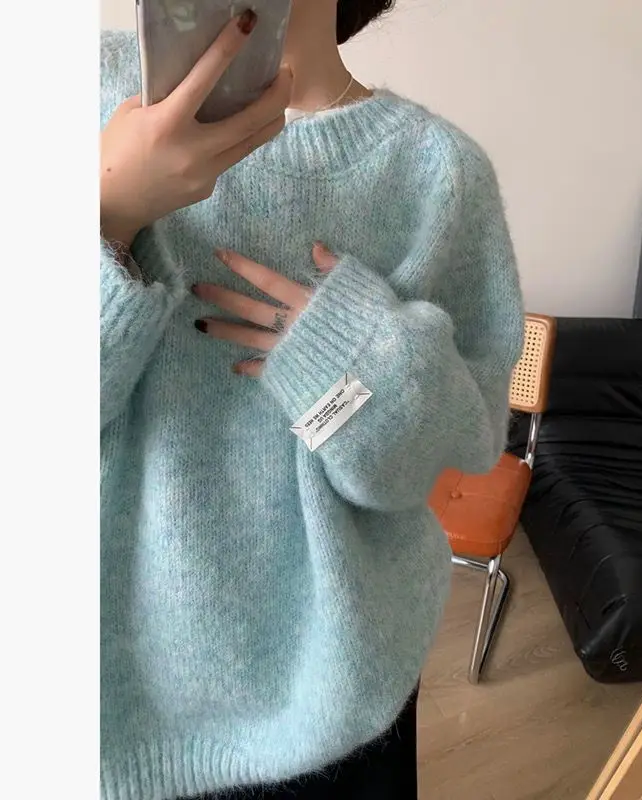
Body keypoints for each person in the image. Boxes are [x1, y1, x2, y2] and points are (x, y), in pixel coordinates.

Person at [100, 1, 524, 798]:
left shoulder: (435, 171)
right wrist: (109, 209)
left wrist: (351, 359)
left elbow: (451, 453)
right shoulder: (84, 95)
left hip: (329, 703)